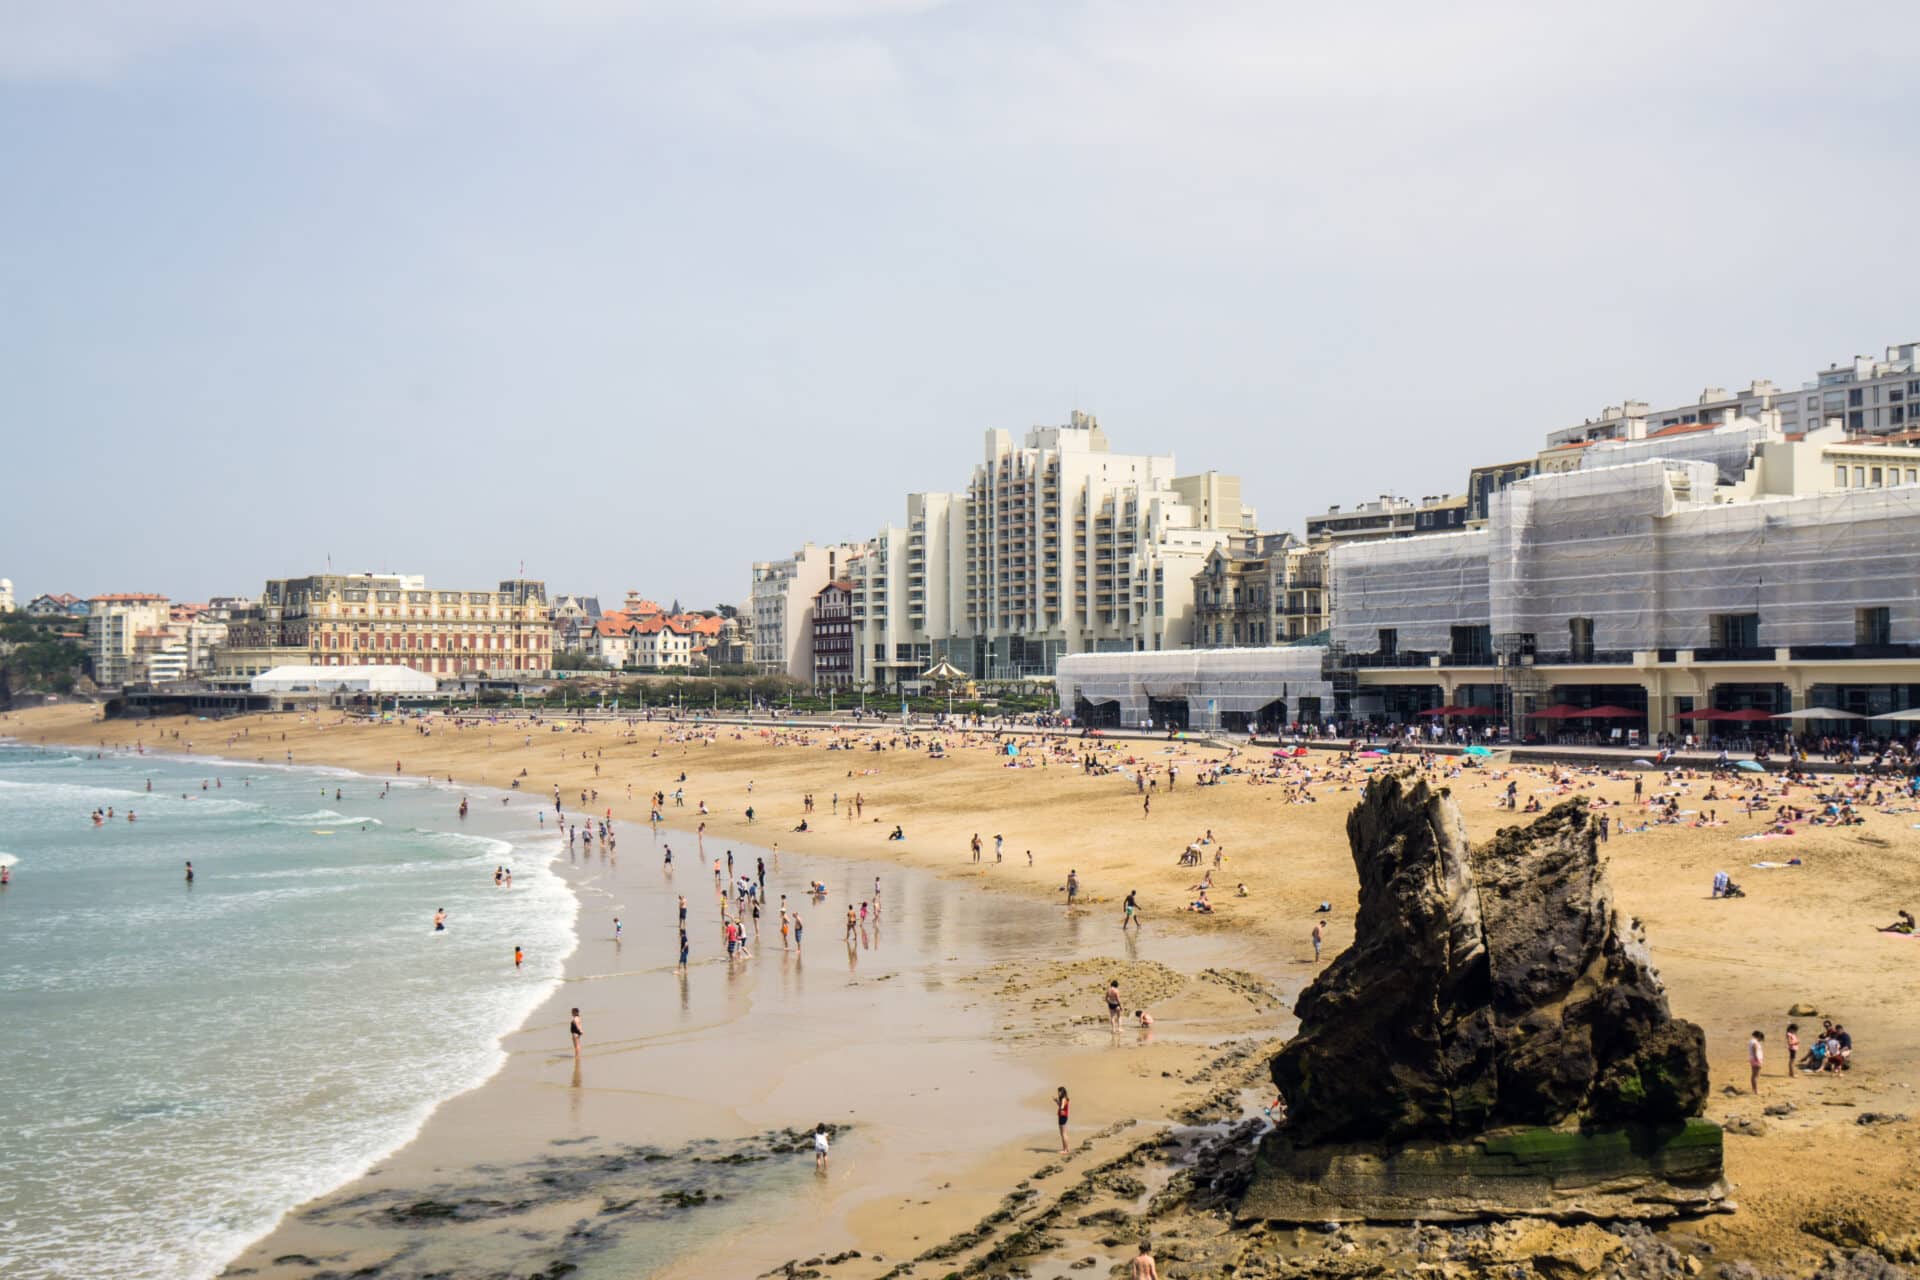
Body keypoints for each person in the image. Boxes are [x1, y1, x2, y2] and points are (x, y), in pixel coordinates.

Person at [1055, 1086, 1071, 1152]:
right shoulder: (1064, 1098)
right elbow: (1062, 1106)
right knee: (1063, 1134)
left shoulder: (1064, 1099)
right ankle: (1066, 1149)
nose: (1058, 1093)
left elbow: (1062, 1107)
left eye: (1059, 1092)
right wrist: (1057, 1101)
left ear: (1062, 1092)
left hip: (1063, 1116)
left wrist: (1060, 1106)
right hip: (1063, 1116)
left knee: (1063, 1133)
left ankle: (1065, 1150)